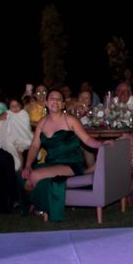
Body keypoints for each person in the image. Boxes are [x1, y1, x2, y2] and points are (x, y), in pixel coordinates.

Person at [20, 89, 109, 221]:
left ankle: (40, 207)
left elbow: (87, 140)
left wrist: (102, 144)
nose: (55, 101)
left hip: (71, 163)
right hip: (52, 162)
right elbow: (34, 146)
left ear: (63, 104)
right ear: (46, 102)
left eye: (58, 99)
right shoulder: (42, 123)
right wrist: (27, 165)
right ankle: (41, 205)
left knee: (34, 176)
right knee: (25, 179)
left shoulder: (70, 120)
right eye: (51, 98)